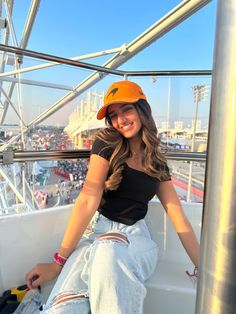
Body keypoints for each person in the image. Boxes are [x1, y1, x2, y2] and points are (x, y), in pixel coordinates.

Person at [25, 80, 200, 314]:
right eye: (113, 115)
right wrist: (58, 262)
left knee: (109, 252)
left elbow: (178, 217)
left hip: (134, 239)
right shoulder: (107, 142)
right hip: (96, 235)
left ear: (142, 109)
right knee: (63, 307)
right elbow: (88, 198)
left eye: (126, 109)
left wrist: (204, 268)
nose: (120, 120)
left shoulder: (157, 162)